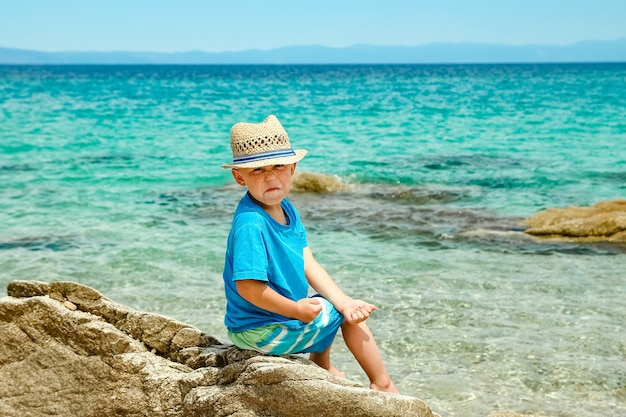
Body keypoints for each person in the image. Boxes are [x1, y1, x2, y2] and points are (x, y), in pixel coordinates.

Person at [221, 114, 398, 393]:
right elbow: (248, 288)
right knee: (339, 314)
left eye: (278, 166)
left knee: (337, 305)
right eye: (258, 170)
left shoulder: (287, 208)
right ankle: (382, 383)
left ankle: (323, 363)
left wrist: (343, 300)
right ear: (239, 176)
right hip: (258, 331)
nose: (270, 176)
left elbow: (307, 260)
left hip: (271, 320)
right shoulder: (251, 224)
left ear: (292, 168)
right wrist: (296, 310)